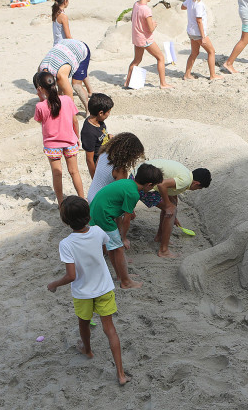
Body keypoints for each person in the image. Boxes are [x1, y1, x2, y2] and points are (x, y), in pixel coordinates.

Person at [47, 196, 128, 386]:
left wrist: (54, 284)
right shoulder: (99, 231)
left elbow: (71, 276)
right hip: (104, 287)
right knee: (110, 330)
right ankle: (121, 373)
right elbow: (104, 249)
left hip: (83, 292)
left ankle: (87, 350)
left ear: (65, 221)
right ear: (88, 215)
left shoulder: (66, 244)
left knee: (84, 323)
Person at [89, 164, 163, 289]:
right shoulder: (133, 193)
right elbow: (126, 219)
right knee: (118, 249)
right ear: (149, 184)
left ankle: (120, 276)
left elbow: (117, 209)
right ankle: (126, 282)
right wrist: (123, 238)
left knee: (113, 247)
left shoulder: (127, 183)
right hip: (103, 216)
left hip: (96, 212)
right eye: (153, 186)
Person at [134, 159, 211, 258]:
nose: (196, 190)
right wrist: (168, 206)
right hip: (141, 182)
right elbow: (161, 185)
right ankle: (163, 251)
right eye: (199, 188)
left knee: (171, 208)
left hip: (139, 175)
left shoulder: (186, 174)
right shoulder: (186, 180)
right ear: (196, 183)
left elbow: (172, 196)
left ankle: (160, 237)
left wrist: (172, 212)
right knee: (171, 209)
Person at [34, 70, 84, 205]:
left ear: (41, 88)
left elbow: (41, 120)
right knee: (74, 172)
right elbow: (75, 121)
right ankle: (82, 198)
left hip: (52, 144)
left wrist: (41, 98)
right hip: (70, 141)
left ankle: (61, 203)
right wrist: (76, 136)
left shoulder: (40, 106)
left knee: (57, 174)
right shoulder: (67, 100)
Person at [124, 0, 173, 89]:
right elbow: (150, 28)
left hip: (137, 37)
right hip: (146, 39)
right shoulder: (146, 9)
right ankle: (163, 83)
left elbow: (133, 19)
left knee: (136, 60)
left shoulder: (136, 4)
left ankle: (127, 82)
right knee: (160, 58)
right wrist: (154, 25)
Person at [86, 132, 145, 203]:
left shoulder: (103, 154)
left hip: (91, 196)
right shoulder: (120, 170)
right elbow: (119, 194)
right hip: (101, 204)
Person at [38, 38, 92, 114]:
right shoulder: (40, 71)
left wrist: (70, 117)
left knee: (76, 85)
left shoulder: (61, 75)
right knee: (61, 88)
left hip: (80, 48)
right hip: (65, 46)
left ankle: (89, 111)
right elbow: (44, 93)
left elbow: (70, 99)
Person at [182, 0, 222, 80]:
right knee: (211, 51)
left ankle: (187, 74)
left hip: (191, 31)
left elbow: (183, 7)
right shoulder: (199, 4)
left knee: (194, 53)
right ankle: (213, 75)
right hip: (198, 33)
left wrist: (189, 8)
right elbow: (199, 21)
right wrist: (203, 36)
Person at [80, 93, 113, 179]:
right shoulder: (89, 132)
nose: (109, 114)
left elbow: (101, 136)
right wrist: (95, 179)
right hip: (100, 166)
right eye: (108, 112)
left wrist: (108, 136)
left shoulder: (99, 121)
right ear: (101, 113)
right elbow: (89, 160)